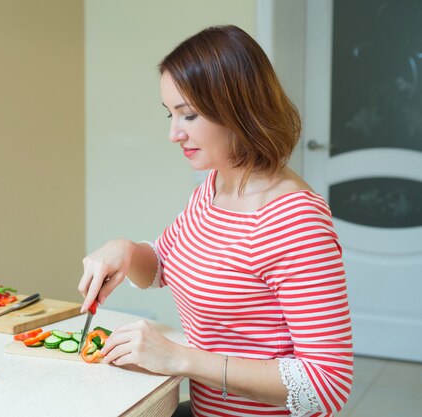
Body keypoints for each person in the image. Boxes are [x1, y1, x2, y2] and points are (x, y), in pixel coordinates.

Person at [78, 25, 353, 417]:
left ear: (238, 110)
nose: (174, 133)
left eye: (188, 115)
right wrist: (126, 250)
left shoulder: (294, 222)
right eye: (170, 114)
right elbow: (164, 265)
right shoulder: (216, 184)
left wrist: (180, 359)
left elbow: (326, 386)